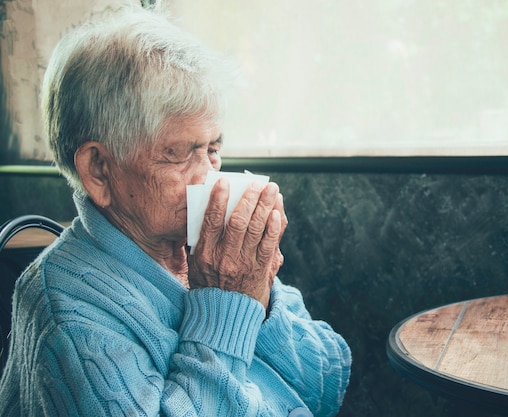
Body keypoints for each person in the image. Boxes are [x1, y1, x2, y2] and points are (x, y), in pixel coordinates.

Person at [0, 3, 351, 416]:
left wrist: (261, 297)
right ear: (98, 169)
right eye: (178, 155)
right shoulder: (66, 312)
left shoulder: (214, 253)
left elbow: (329, 380)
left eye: (214, 149)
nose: (207, 176)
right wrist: (228, 305)